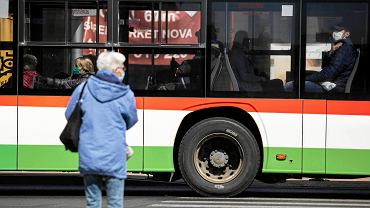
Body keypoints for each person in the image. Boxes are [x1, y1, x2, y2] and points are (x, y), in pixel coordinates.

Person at [65, 51, 138, 208]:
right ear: (115, 69)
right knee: (115, 203)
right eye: (122, 67)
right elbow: (131, 120)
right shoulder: (125, 93)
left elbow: (69, 114)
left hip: (89, 154)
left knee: (92, 203)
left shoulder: (83, 89)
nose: (123, 70)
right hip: (115, 154)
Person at [285, 23, 357, 92]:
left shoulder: (345, 49)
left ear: (347, 34)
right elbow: (326, 67)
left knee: (290, 86)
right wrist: (330, 52)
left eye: (338, 31)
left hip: (333, 87)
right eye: (333, 30)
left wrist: (306, 79)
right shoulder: (340, 47)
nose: (334, 33)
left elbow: (329, 73)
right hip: (330, 83)